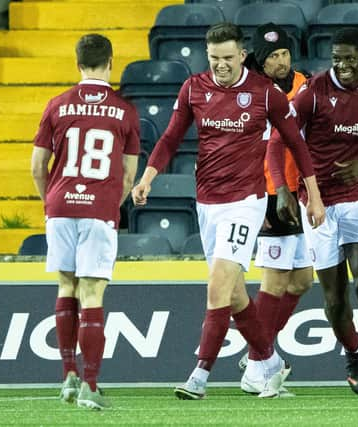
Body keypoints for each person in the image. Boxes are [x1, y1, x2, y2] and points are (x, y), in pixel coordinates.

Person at [131, 22, 325, 400]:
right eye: (213, 58)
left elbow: (298, 147)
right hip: (207, 203)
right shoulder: (194, 88)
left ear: (241, 56)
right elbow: (171, 136)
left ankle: (200, 376)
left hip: (246, 202)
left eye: (226, 58)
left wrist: (313, 196)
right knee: (235, 295)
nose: (219, 65)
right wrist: (147, 177)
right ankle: (266, 366)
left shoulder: (265, 93)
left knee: (218, 284)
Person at [267, 28, 358, 396]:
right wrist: (282, 190)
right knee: (334, 299)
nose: (341, 65)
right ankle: (353, 353)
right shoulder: (315, 92)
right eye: (336, 58)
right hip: (318, 204)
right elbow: (278, 141)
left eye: (348, 58)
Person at [30, 33, 140, 410]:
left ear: (77, 64)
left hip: (60, 206)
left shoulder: (57, 105)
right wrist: (110, 202)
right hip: (99, 209)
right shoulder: (125, 111)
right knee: (92, 293)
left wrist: (52, 202)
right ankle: (90, 385)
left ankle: (68, 377)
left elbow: (36, 166)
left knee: (66, 287)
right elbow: (128, 175)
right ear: (111, 62)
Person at [236, 23, 314, 397]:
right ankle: (256, 366)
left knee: (302, 280)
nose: (281, 62)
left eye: (284, 54)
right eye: (272, 57)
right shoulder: (248, 92)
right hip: (268, 193)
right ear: (260, 61)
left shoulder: (307, 84)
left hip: (298, 193)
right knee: (276, 279)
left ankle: (258, 346)